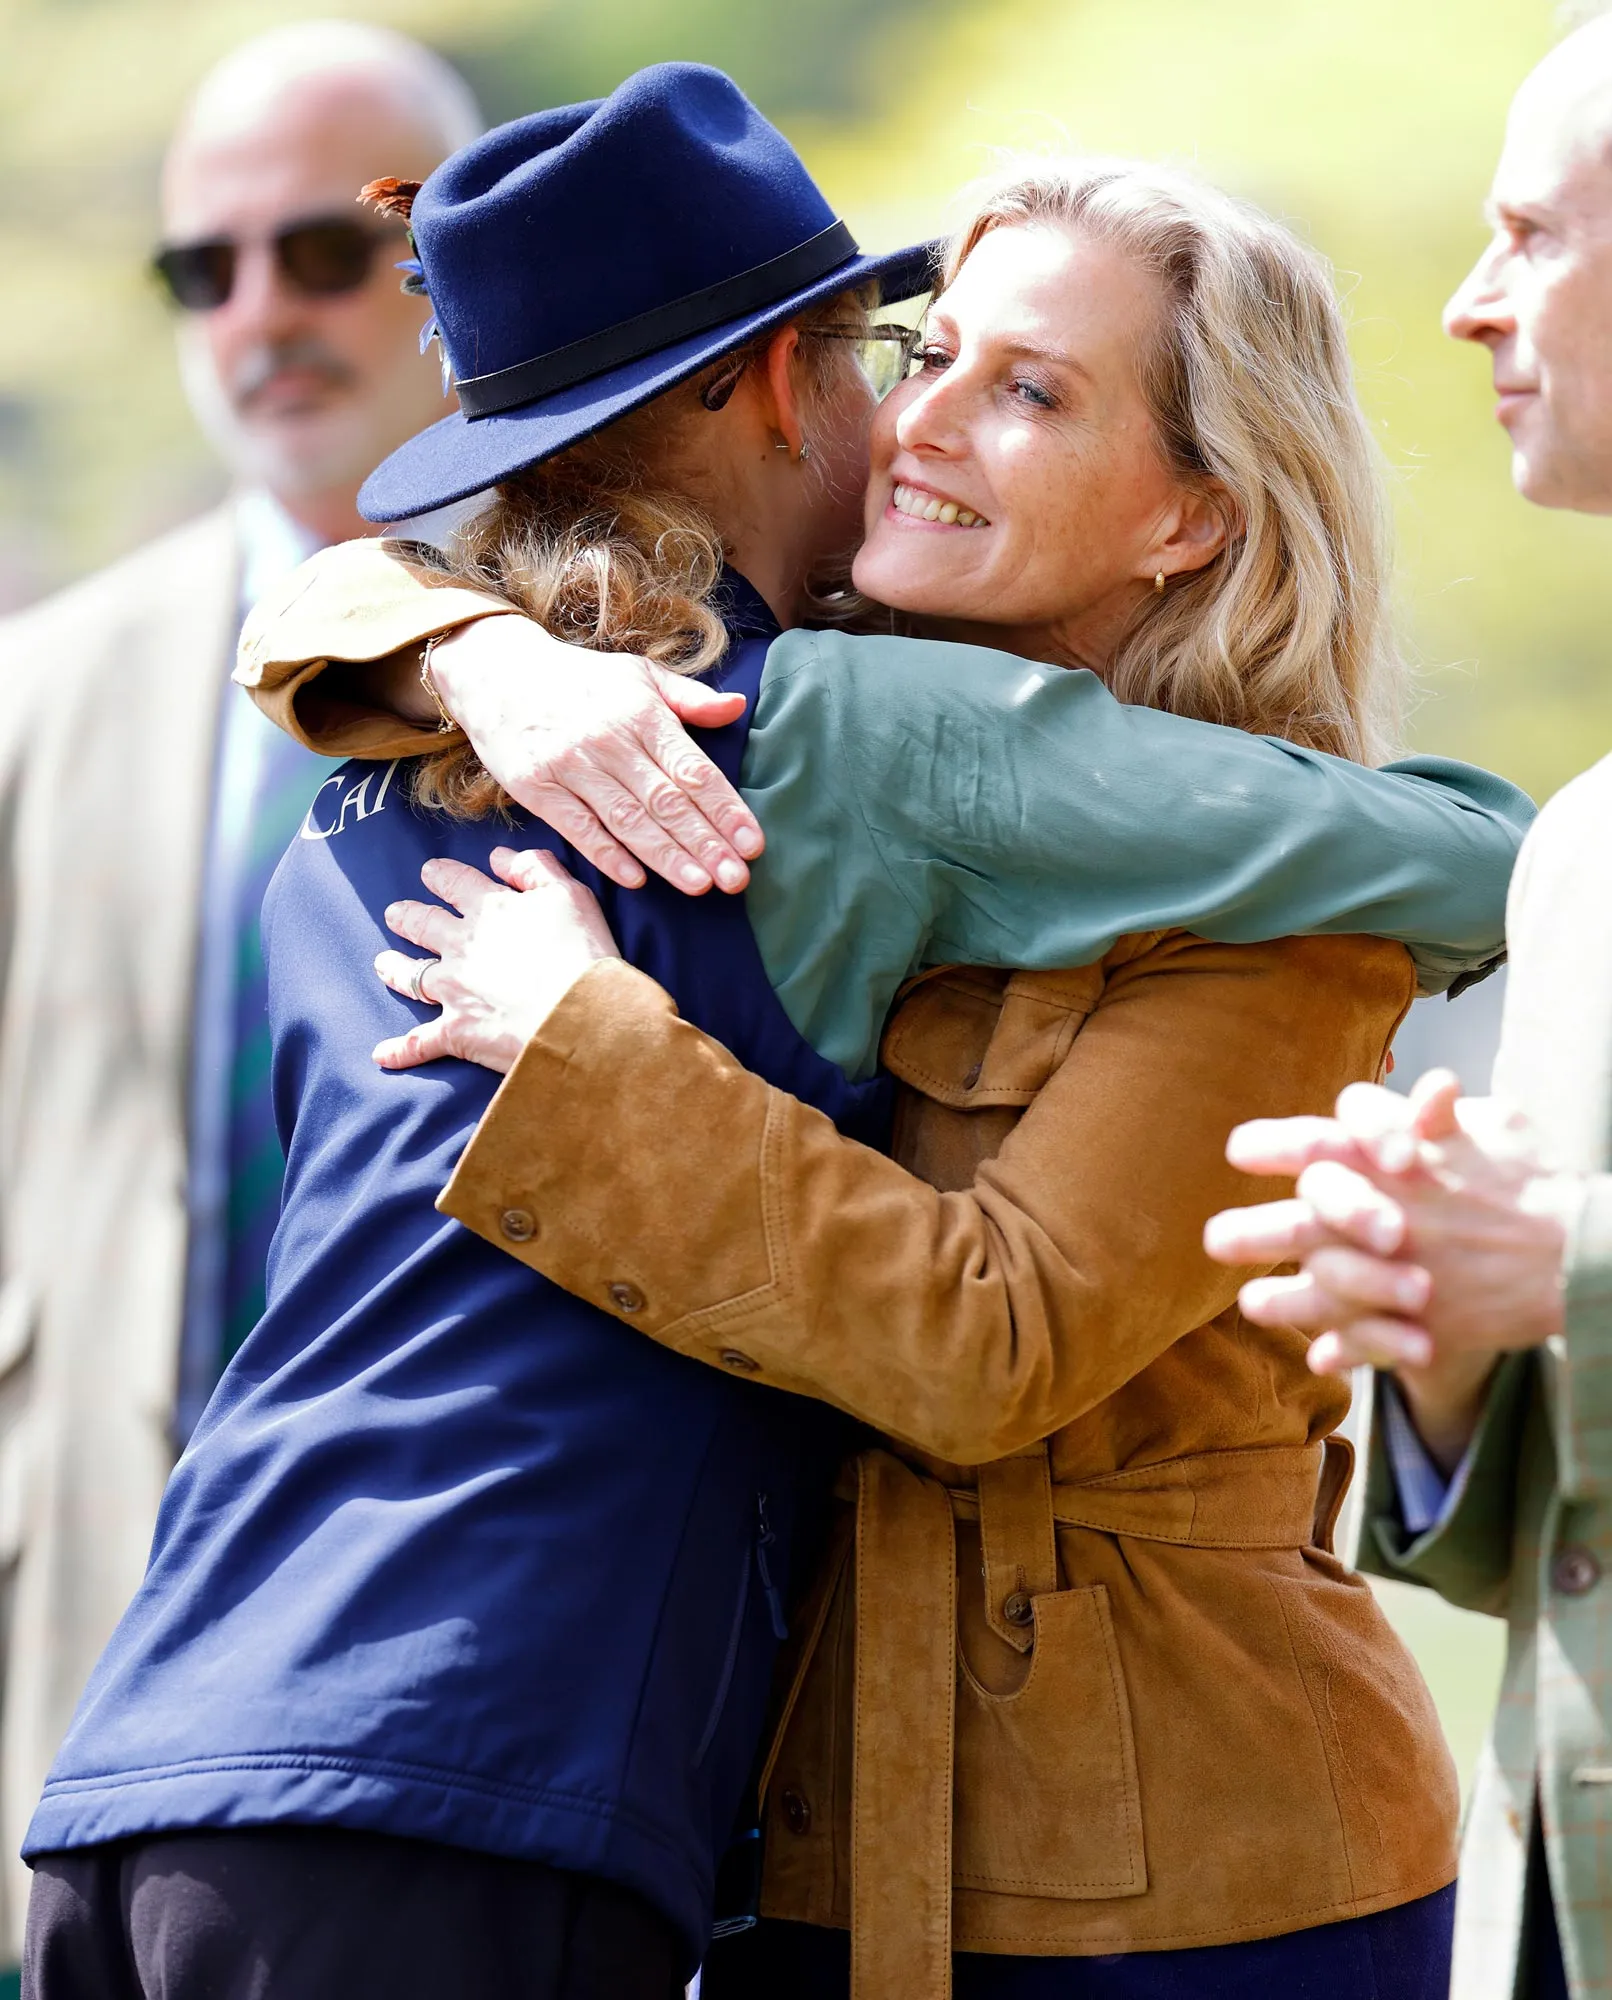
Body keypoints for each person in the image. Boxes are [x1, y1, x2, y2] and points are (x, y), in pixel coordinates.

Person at [215, 92, 1532, 1996]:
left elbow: (988, 1344)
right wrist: (477, 652)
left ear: (1198, 512)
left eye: (1034, 393)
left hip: (1188, 1888)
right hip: (811, 1858)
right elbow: (343, 579)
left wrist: (598, 1056)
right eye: (934, 359)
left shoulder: (1271, 908)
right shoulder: (760, 722)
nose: (918, 420)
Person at [0, 18, 478, 1971]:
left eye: (323, 247)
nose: (259, 310)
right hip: (84, 1697)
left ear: (452, 250)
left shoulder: (633, 646)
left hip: (465, 1718)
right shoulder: (44, 693)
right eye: (206, 268)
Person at [1203, 16, 1612, 1999]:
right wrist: (1434, 1351)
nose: (1459, 308)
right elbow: (1530, 1533)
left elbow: (1571, 1274)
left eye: (1526, 233)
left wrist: (1552, 1261)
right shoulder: (1580, 854)